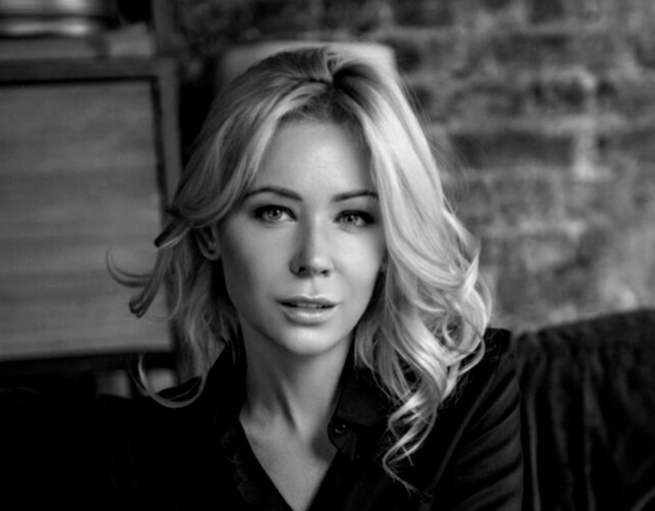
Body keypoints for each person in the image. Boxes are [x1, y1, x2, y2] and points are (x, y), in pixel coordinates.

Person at [3, 46, 522, 510]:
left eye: (353, 217)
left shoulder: (467, 400)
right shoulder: (140, 458)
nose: (313, 258)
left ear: (390, 243)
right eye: (274, 212)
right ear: (211, 231)